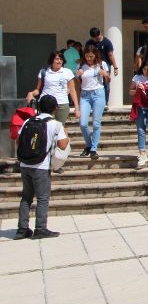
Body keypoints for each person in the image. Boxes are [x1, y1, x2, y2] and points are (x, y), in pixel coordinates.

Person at [14, 95, 68, 240]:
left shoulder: (28, 121)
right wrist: (66, 136)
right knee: (43, 198)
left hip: (25, 164)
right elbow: (63, 145)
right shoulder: (56, 124)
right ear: (55, 108)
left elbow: (18, 141)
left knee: (26, 197)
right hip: (41, 166)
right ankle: (40, 228)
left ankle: (22, 229)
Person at [26, 51, 80, 125]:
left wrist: (76, 108)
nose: (59, 61)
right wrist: (31, 93)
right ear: (52, 60)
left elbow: (72, 91)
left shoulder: (67, 72)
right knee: (45, 127)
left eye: (61, 59)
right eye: (57, 59)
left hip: (62, 104)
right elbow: (37, 90)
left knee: (59, 128)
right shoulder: (44, 72)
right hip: (46, 104)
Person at [76, 44, 110, 159]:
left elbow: (108, 80)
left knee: (96, 123)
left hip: (98, 94)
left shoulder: (102, 64)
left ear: (95, 55)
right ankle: (88, 144)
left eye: (91, 56)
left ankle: (94, 149)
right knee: (83, 123)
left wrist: (105, 75)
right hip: (85, 95)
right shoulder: (80, 66)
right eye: (87, 56)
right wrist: (77, 75)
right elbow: (77, 83)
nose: (89, 58)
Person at [85, 27, 119, 104]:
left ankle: (105, 102)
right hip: (93, 65)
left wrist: (115, 67)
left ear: (100, 34)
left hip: (105, 64)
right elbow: (86, 54)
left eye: (96, 38)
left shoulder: (107, 42)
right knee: (93, 82)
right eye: (93, 38)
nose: (95, 40)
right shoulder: (89, 42)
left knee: (106, 84)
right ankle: (94, 101)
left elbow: (110, 55)